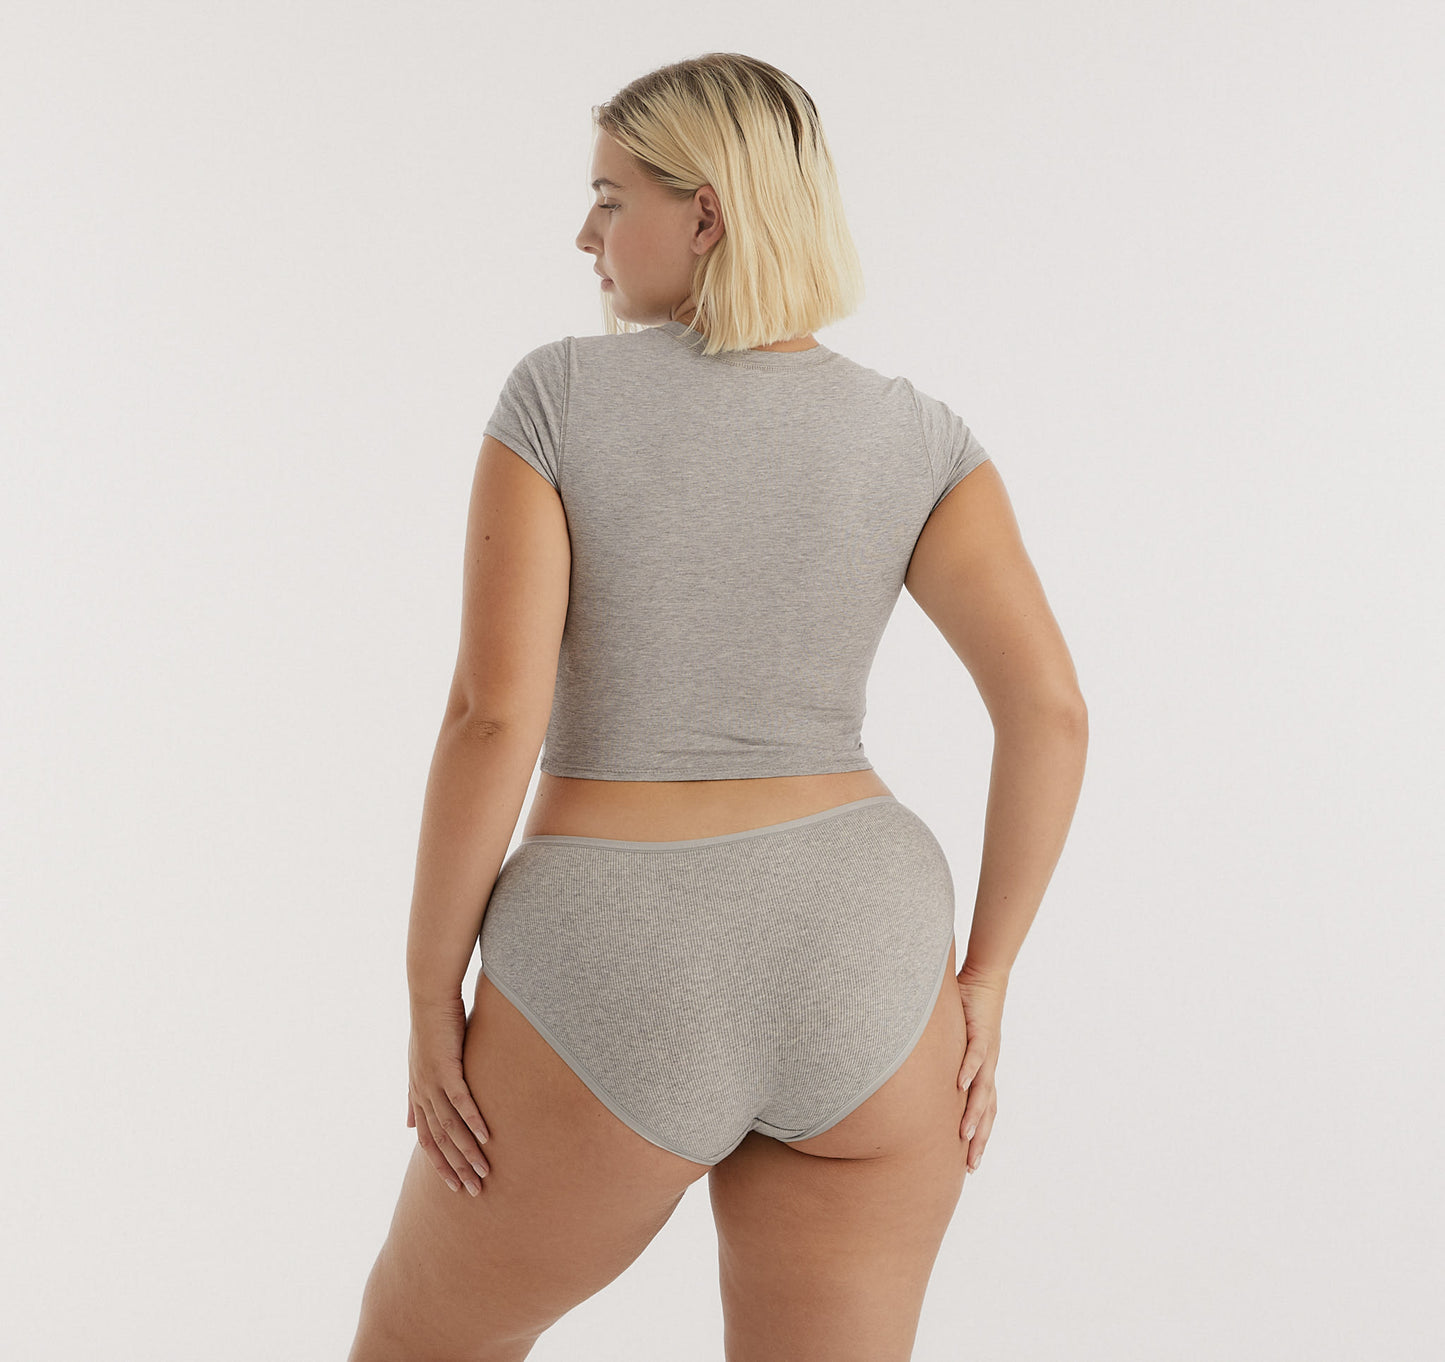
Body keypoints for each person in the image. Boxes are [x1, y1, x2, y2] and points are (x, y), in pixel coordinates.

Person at [348, 51, 1087, 1362]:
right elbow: (1051, 712)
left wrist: (426, 989)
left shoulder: (558, 399)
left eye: (608, 198)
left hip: (615, 947)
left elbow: (491, 717)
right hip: (865, 953)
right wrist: (985, 976)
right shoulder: (918, 436)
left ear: (707, 214)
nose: (584, 235)